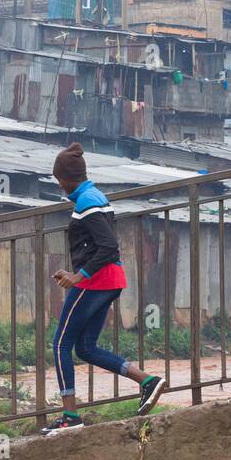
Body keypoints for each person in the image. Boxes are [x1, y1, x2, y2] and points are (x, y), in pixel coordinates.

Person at [44, 143, 166, 435]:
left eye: (58, 178)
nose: (58, 184)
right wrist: (76, 273)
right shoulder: (93, 195)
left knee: (61, 344)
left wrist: (78, 276)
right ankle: (147, 381)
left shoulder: (87, 201)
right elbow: (98, 245)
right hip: (108, 282)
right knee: (85, 348)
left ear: (65, 178)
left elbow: (108, 246)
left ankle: (70, 416)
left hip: (95, 282)